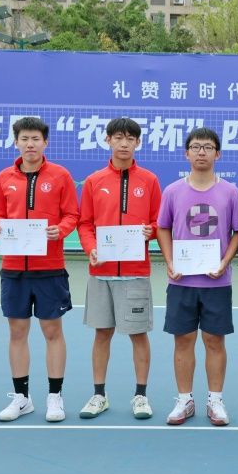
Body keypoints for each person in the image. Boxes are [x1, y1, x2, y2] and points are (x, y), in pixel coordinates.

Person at [0, 115, 78, 424]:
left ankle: (55, 397)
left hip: (49, 268)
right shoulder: (4, 177)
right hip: (13, 268)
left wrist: (60, 230)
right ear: (16, 142)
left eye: (35, 139)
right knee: (17, 331)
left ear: (45, 142)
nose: (30, 144)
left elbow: (72, 214)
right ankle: (22, 398)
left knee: (52, 331)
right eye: (24, 139)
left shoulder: (61, 175)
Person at [76, 116, 161, 421]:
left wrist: (151, 231)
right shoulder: (94, 181)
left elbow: (158, 221)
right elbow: (85, 223)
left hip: (136, 272)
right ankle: (99, 395)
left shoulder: (149, 180)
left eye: (130, 139)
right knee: (102, 333)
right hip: (101, 273)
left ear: (138, 143)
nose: (124, 144)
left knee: (138, 334)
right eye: (118, 138)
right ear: (108, 140)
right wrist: (91, 249)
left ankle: (141, 396)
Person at [155, 125, 238, 426]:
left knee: (215, 341)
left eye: (207, 147)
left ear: (218, 154)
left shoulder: (230, 191)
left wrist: (224, 262)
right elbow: (162, 227)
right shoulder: (172, 191)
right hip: (182, 281)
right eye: (195, 147)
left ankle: (215, 400)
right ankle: (184, 400)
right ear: (186, 153)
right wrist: (170, 262)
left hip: (217, 281)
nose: (201, 152)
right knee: (183, 341)